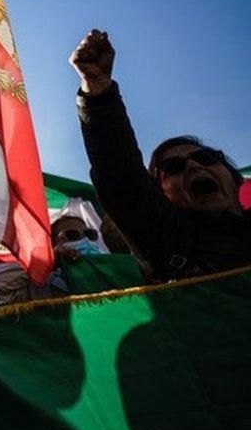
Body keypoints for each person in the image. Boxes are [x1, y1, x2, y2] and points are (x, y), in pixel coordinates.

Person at [70, 29, 251, 280]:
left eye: (206, 159)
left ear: (233, 177)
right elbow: (121, 174)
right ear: (160, 194)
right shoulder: (172, 241)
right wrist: (98, 93)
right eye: (174, 167)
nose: (193, 166)